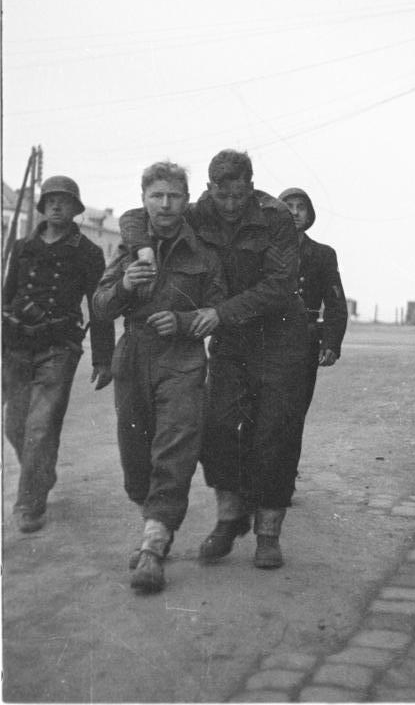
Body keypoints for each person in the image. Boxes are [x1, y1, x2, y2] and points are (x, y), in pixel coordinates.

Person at [118, 149, 308, 570]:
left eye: (239, 196)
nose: (230, 205)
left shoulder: (275, 217)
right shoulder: (199, 209)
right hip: (231, 339)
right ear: (209, 189)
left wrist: (220, 312)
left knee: (274, 433)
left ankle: (268, 533)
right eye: (222, 196)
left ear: (251, 188)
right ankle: (230, 514)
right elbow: (137, 216)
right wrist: (143, 250)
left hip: (280, 338)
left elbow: (279, 285)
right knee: (216, 426)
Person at [93, 162, 226, 593]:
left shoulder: (204, 253)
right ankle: (155, 524)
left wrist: (186, 322)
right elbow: (100, 306)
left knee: (175, 448)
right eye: (157, 195)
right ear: (144, 198)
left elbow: (218, 310)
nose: (165, 204)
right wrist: (125, 287)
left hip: (182, 361)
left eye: (174, 196)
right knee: (135, 458)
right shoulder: (129, 250)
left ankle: (153, 544)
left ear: (186, 201)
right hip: (132, 358)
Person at [2, 176, 115, 533]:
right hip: (17, 345)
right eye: (50, 200)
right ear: (42, 206)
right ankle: (43, 474)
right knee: (15, 425)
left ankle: (30, 504)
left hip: (59, 347)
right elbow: (7, 296)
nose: (55, 206)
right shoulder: (21, 247)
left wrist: (103, 358)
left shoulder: (87, 252)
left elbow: (99, 307)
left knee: (39, 427)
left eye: (63, 201)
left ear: (75, 209)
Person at [278, 187, 348, 480]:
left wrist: (331, 342)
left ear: (310, 215)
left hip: (303, 339)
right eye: (288, 206)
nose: (294, 212)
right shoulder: (263, 249)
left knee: (294, 412)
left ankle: (283, 477)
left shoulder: (322, 254)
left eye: (300, 207)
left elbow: (335, 302)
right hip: (265, 338)